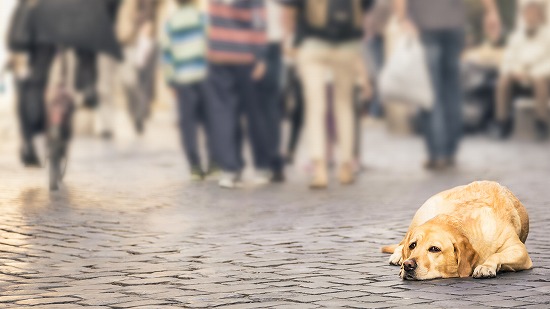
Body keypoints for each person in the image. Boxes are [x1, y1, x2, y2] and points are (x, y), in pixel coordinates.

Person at [394, 0, 501, 170]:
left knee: (429, 91)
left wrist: (402, 18)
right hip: (453, 25)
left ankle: (437, 153)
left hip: (424, 25)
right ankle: (450, 150)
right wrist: (491, 10)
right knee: (451, 90)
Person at [281, 0, 374, 189]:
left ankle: (320, 169)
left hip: (312, 43)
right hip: (347, 45)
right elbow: (365, 7)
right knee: (344, 105)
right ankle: (346, 167)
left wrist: (289, 38)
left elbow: (289, 9)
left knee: (315, 107)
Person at [206, 0, 272, 189]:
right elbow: (259, 22)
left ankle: (230, 168)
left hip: (219, 55)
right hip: (246, 56)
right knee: (254, 114)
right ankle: (261, 166)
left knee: (223, 113)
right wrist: (261, 56)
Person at [160, 0, 214, 180]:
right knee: (210, 121)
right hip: (203, 76)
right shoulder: (202, 18)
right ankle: (214, 163)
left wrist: (170, 80)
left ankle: (195, 166)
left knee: (188, 124)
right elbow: (210, 46)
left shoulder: (170, 22)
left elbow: (167, 55)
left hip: (182, 79)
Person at [493, 0, 550, 141]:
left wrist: (533, 73)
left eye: (534, 13)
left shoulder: (547, 35)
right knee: (503, 81)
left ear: (540, 15)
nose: (530, 16)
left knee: (540, 81)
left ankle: (541, 122)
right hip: (519, 73)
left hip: (540, 73)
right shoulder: (516, 36)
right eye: (528, 13)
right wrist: (515, 71)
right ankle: (502, 121)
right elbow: (508, 59)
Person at [117, 0, 163, 135]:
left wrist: (151, 27)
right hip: (129, 41)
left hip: (148, 40)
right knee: (128, 81)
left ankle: (140, 114)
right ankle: (134, 111)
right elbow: (123, 16)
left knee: (145, 81)